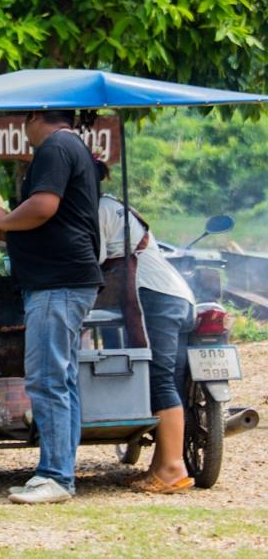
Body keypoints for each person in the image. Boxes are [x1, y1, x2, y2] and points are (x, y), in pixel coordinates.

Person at [0, 110, 102, 504]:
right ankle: (60, 472)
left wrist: (2, 218)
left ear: (36, 116)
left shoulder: (55, 146)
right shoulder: (72, 146)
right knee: (60, 379)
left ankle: (55, 475)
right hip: (64, 281)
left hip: (58, 282)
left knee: (47, 379)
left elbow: (43, 207)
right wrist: (10, 224)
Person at [95, 162, 196, 494]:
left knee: (157, 377)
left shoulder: (99, 209)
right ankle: (162, 465)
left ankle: (171, 468)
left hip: (154, 295)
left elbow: (90, 260)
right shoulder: (115, 205)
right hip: (176, 295)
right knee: (169, 379)